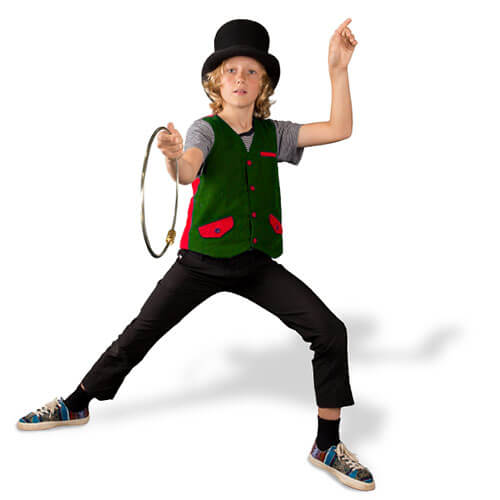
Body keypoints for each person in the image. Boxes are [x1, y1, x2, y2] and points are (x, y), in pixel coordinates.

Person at [17, 18, 374, 491]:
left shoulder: (277, 134)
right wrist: (172, 155)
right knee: (139, 334)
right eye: (231, 71)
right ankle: (76, 402)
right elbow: (188, 170)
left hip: (254, 262)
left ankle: (327, 444)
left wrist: (338, 71)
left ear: (263, 84)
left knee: (330, 331)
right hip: (201, 262)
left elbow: (339, 129)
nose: (241, 78)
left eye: (251, 71)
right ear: (216, 82)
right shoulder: (203, 130)